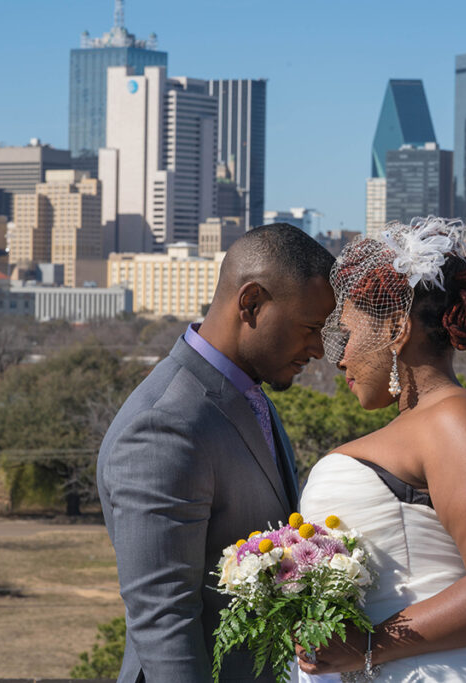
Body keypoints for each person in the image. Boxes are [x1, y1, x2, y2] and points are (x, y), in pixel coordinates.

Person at [295, 216, 466, 682]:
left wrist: (372, 647)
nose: (340, 356)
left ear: (397, 328)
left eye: (350, 333)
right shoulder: (424, 424)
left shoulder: (455, 419)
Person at [97, 223, 337, 682]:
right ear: (251, 304)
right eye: (310, 328)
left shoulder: (249, 396)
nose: (319, 349)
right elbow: (164, 617)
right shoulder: (165, 424)